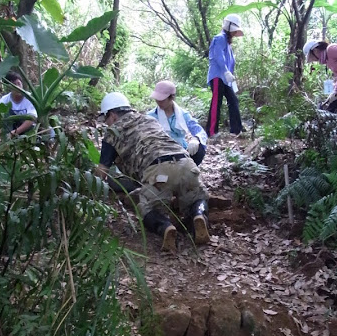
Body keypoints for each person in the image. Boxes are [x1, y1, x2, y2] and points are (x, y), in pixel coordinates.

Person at [97, 92, 210, 252]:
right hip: (185, 163)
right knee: (197, 197)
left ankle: (165, 227)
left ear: (113, 115)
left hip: (158, 170)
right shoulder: (149, 119)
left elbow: (102, 171)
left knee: (148, 209)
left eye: (105, 119)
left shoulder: (112, 133)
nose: (106, 124)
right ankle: (198, 215)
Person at [147, 80, 207, 166]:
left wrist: (195, 139)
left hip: (182, 150)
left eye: (162, 100)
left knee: (199, 148)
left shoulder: (183, 114)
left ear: (172, 97)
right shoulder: (150, 116)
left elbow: (199, 130)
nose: (159, 102)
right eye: (157, 99)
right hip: (160, 152)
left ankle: (190, 167)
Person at [206, 13, 245, 137]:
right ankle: (211, 132)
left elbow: (230, 61)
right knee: (216, 102)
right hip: (218, 76)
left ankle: (236, 129)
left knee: (233, 100)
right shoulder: (220, 38)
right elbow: (219, 56)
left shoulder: (227, 43)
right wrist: (225, 71)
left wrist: (230, 76)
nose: (235, 33)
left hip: (226, 78)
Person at [0, 71, 37, 137]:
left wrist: (14, 133)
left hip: (28, 131)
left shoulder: (30, 98)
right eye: (14, 84)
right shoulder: (4, 100)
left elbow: (32, 119)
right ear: (8, 87)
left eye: (19, 83)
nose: (18, 87)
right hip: (10, 130)